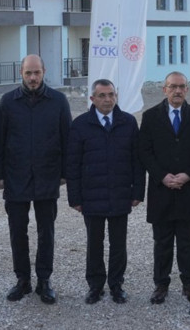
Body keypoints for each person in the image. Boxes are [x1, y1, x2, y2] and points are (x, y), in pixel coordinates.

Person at [0, 55, 71, 304]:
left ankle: (44, 280)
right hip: (16, 178)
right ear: (20, 72)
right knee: (18, 231)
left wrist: (65, 173)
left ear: (44, 71)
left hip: (47, 177)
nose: (32, 78)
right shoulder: (8, 102)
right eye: (28, 73)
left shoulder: (58, 101)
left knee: (46, 232)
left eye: (36, 72)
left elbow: (66, 139)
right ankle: (23, 280)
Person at [66, 79, 145, 305]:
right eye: (102, 95)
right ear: (92, 99)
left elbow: (137, 161)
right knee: (94, 243)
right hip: (92, 196)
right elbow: (73, 164)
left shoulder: (128, 123)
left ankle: (116, 285)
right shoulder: (80, 125)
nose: (107, 99)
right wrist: (75, 198)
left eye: (111, 94)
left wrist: (138, 191)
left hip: (121, 193)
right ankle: (95, 286)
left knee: (118, 244)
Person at [138, 72, 190, 306]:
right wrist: (162, 176)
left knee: (187, 242)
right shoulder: (150, 117)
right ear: (164, 89)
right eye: (173, 87)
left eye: (181, 87)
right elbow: (144, 152)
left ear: (187, 90)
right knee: (162, 242)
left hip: (188, 190)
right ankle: (161, 285)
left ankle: (189, 284)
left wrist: (188, 175)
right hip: (161, 190)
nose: (177, 91)